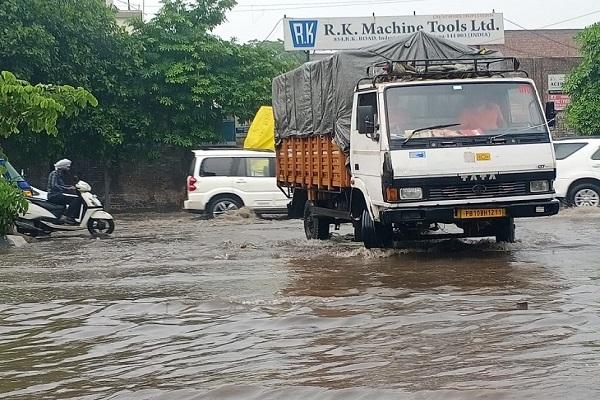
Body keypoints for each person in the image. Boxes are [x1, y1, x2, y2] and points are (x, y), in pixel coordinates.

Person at [47, 159, 82, 224]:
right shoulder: (54, 174)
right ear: (62, 167)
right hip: (53, 195)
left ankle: (67, 217)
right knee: (76, 199)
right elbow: (54, 185)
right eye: (67, 167)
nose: (68, 169)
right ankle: (69, 217)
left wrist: (70, 187)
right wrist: (68, 188)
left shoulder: (59, 174)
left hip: (57, 195)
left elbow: (62, 185)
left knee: (75, 199)